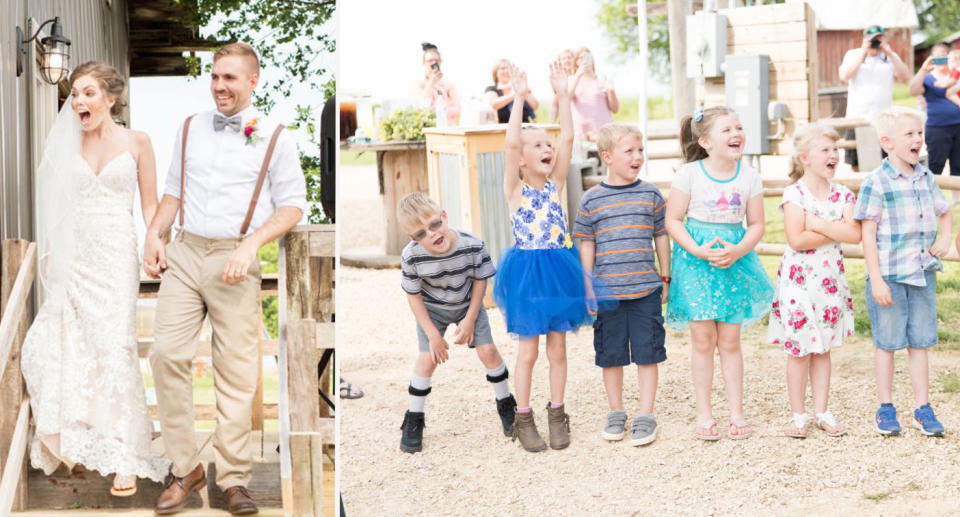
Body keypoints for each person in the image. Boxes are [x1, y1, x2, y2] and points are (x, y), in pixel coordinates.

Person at [143, 42, 307, 515]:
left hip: (236, 259)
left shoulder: (275, 135)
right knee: (166, 355)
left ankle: (233, 480)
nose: (219, 86)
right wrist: (155, 234)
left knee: (236, 374)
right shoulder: (191, 127)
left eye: (230, 78)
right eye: (215, 77)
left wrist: (251, 244)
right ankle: (185, 469)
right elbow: (172, 192)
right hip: (187, 252)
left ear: (253, 81)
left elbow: (293, 205)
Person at [20, 61, 169, 498]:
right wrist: (54, 256)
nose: (79, 102)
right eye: (74, 94)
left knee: (115, 347)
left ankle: (125, 455)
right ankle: (77, 437)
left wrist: (154, 240)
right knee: (65, 344)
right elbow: (54, 208)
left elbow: (148, 206)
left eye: (88, 93)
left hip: (116, 255)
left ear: (110, 98)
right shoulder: (65, 147)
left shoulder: (138, 142)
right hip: (76, 256)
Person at [664, 106, 774, 441]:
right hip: (697, 263)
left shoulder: (749, 175)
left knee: (730, 340)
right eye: (727, 130)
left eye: (739, 127)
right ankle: (704, 414)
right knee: (702, 340)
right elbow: (673, 220)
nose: (736, 133)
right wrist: (696, 250)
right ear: (707, 141)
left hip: (733, 262)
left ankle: (737, 413)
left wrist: (738, 250)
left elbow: (756, 224)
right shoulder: (689, 174)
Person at [494, 61, 588, 452]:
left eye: (545, 145)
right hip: (528, 273)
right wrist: (517, 99)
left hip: (559, 268)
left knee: (558, 348)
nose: (546, 148)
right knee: (529, 350)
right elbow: (512, 143)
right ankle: (524, 416)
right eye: (537, 145)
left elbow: (567, 138)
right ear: (521, 159)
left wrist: (563, 96)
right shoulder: (515, 188)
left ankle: (557, 412)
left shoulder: (557, 184)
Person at [853, 106, 952, 437]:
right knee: (888, 342)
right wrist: (876, 278)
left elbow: (944, 211)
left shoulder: (925, 177)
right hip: (890, 277)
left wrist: (945, 237)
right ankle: (885, 407)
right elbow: (867, 234)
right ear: (887, 141)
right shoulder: (876, 182)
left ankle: (922, 409)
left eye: (920, 133)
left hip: (922, 273)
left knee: (919, 342)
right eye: (909, 134)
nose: (918, 139)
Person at [396, 192, 516, 454]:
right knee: (426, 359)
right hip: (432, 310)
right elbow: (413, 297)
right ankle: (414, 418)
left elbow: (479, 281)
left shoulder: (472, 245)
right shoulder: (411, 257)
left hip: (467, 304)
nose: (432, 234)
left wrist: (471, 319)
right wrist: (433, 335)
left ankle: (506, 402)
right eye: (421, 234)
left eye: (435, 225)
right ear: (412, 238)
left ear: (444, 217)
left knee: (489, 352)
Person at [573, 123, 669, 446]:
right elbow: (586, 245)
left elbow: (661, 236)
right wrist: (588, 286)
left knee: (648, 353)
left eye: (640, 150)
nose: (637, 156)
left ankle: (646, 414)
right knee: (610, 355)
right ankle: (616, 412)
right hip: (607, 294)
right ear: (607, 157)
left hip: (646, 290)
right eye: (629, 151)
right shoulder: (592, 200)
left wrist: (665, 276)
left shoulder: (651, 194)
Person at [768, 123, 860, 439]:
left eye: (836, 150)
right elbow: (797, 239)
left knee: (823, 350)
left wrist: (818, 223)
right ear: (805, 158)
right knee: (799, 350)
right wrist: (834, 228)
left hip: (829, 283)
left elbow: (854, 234)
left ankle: (822, 411)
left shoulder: (844, 193)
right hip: (797, 285)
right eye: (826, 150)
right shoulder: (794, 193)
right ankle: (798, 416)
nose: (833, 155)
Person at [837, 25, 911, 171]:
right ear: (864, 39)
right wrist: (863, 53)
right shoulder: (853, 54)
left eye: (878, 39)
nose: (875, 43)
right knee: (856, 164)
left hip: (882, 119)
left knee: (886, 163)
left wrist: (889, 53)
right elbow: (844, 76)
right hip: (857, 117)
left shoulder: (890, 57)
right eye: (872, 40)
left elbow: (905, 76)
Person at [908, 43, 960, 196]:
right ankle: (929, 196)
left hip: (958, 125)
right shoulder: (928, 78)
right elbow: (913, 90)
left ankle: (957, 199)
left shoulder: (956, 74)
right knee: (936, 163)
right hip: (938, 127)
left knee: (958, 164)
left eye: (945, 54)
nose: (941, 58)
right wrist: (923, 69)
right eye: (938, 56)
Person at [568, 47, 619, 141]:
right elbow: (566, 99)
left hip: (605, 132)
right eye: (580, 57)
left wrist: (611, 90)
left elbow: (615, 109)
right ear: (576, 61)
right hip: (581, 134)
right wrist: (578, 75)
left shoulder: (602, 78)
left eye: (587, 56)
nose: (583, 60)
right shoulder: (572, 79)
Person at [415, 42, 460, 126]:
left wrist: (438, 110)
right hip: (427, 128)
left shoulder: (449, 85)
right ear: (424, 63)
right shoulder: (419, 84)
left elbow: (458, 110)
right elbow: (420, 106)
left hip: (448, 127)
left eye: (436, 60)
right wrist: (432, 82)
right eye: (430, 60)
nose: (433, 63)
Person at [485, 59, 538, 123]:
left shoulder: (520, 87)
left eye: (509, 68)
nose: (506, 71)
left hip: (525, 128)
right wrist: (516, 94)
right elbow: (493, 104)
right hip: (503, 130)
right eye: (502, 68)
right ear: (495, 72)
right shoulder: (492, 89)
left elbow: (535, 105)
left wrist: (522, 87)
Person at [549, 49, 576, 123]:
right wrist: (552, 124)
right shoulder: (559, 80)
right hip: (568, 120)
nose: (567, 60)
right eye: (564, 58)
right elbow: (555, 104)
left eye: (569, 57)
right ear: (560, 62)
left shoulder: (579, 76)